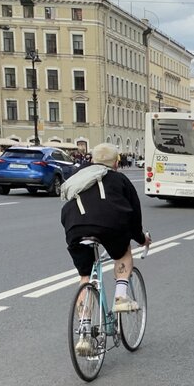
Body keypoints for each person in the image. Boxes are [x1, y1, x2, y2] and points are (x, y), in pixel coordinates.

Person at [60, 143, 151, 355]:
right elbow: (134, 215)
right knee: (123, 253)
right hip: (111, 226)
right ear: (116, 163)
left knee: (85, 277)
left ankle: (84, 334)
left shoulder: (78, 177)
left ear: (91, 160)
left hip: (75, 227)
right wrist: (140, 238)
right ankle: (121, 296)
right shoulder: (119, 179)